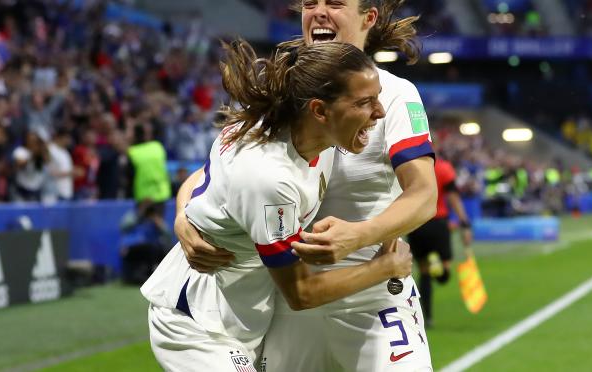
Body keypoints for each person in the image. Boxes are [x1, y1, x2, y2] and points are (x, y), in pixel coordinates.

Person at [175, 1, 438, 371]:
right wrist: (183, 215)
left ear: (369, 17)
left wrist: (359, 236)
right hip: (289, 301)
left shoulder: (395, 96)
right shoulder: (282, 93)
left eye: (334, 3)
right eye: (309, 3)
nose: (318, 11)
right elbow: (219, 172)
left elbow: (424, 196)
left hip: (373, 297)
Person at [408, 152, 472, 328]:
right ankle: (437, 266)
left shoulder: (410, 166)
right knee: (443, 276)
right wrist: (464, 224)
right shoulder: (443, 167)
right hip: (438, 224)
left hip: (416, 224)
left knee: (424, 273)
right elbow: (453, 197)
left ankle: (427, 318)